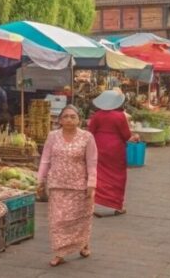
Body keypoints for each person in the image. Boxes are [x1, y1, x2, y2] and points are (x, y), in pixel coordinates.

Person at [37, 105, 98, 267]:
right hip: (57, 185)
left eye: (73, 116)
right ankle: (59, 252)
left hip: (80, 186)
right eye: (65, 116)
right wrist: (40, 180)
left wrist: (92, 183)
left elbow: (92, 162)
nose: (69, 119)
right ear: (60, 120)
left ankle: (83, 243)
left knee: (79, 219)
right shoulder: (52, 136)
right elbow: (45, 159)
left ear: (79, 120)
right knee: (58, 220)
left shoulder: (87, 137)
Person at [87, 90, 139, 216]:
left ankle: (94, 203)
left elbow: (90, 132)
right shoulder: (120, 116)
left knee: (98, 174)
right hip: (115, 149)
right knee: (117, 176)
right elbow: (126, 135)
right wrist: (135, 137)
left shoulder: (97, 115)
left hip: (99, 146)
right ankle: (117, 206)